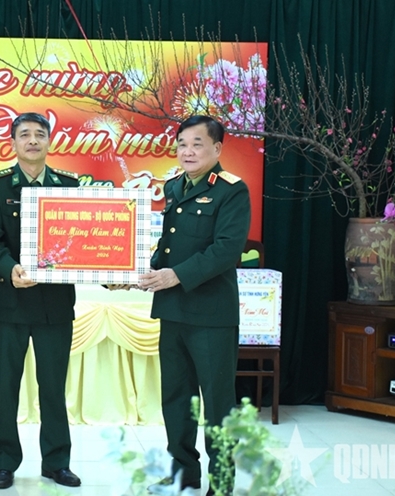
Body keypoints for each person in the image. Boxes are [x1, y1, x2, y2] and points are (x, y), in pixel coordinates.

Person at [139, 115, 251, 495]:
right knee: (177, 398)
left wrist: (176, 275)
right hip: (172, 311)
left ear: (217, 148)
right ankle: (184, 471)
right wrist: (137, 271)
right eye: (182, 144)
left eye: (197, 144)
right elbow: (167, 247)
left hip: (211, 315)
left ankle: (222, 481)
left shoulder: (232, 191)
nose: (187, 151)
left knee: (217, 403)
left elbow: (227, 250)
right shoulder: (173, 187)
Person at [0, 112, 81, 489]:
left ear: (50, 141)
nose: (33, 141)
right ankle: (4, 462)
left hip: (56, 305)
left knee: (53, 387)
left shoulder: (69, 186)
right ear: (13, 143)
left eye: (40, 134)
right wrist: (11, 269)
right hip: (11, 303)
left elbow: (82, 240)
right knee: (6, 387)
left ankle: (56, 462)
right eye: (25, 135)